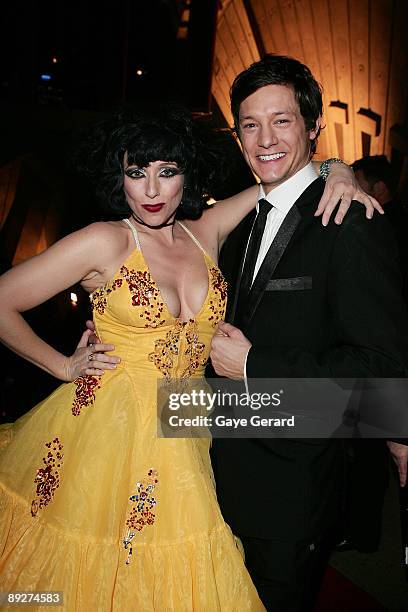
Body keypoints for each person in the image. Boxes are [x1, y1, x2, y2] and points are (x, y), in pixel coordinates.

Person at [0, 103, 378, 611]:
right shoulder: (103, 240)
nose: (151, 190)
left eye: (167, 172)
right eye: (136, 172)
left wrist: (340, 170)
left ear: (187, 176)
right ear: (120, 177)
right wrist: (63, 365)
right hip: (107, 432)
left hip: (187, 422)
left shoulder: (205, 233)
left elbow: (286, 179)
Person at [209, 55, 408, 612]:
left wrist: (255, 367)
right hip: (210, 471)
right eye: (250, 124)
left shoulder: (352, 222)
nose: (264, 139)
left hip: (290, 491)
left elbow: (382, 377)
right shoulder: (237, 224)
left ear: (313, 127)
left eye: (282, 120)